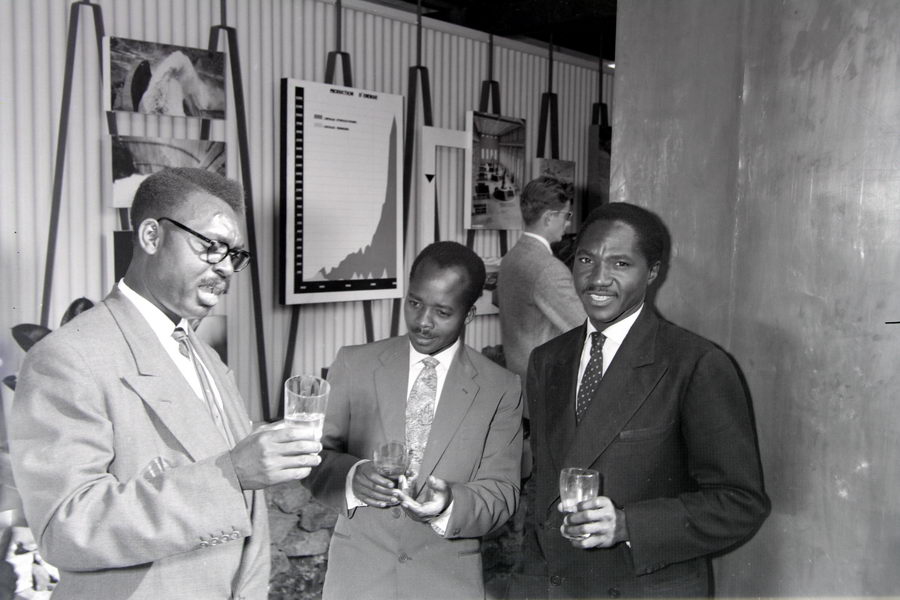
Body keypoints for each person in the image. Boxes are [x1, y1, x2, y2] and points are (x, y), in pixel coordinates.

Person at [9, 168, 322, 600]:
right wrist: (230, 474)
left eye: (233, 254)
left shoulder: (206, 357)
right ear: (152, 236)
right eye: (210, 246)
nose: (225, 267)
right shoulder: (65, 357)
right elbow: (65, 528)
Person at [517, 203, 770, 598]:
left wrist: (628, 525)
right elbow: (542, 490)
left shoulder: (694, 363)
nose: (598, 278)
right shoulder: (548, 360)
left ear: (652, 272)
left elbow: (740, 503)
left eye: (620, 264)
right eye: (586, 259)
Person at [304, 241, 523, 600]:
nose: (422, 322)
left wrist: (450, 503)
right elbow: (314, 457)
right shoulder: (354, 364)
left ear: (468, 314)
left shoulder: (501, 388)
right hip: (356, 581)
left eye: (442, 312)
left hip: (447, 583)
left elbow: (502, 493)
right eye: (415, 303)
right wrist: (352, 477)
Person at [498, 176, 586, 382]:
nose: (568, 223)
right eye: (566, 216)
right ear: (548, 218)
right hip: (547, 383)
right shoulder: (548, 269)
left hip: (520, 376)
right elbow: (585, 328)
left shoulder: (511, 257)